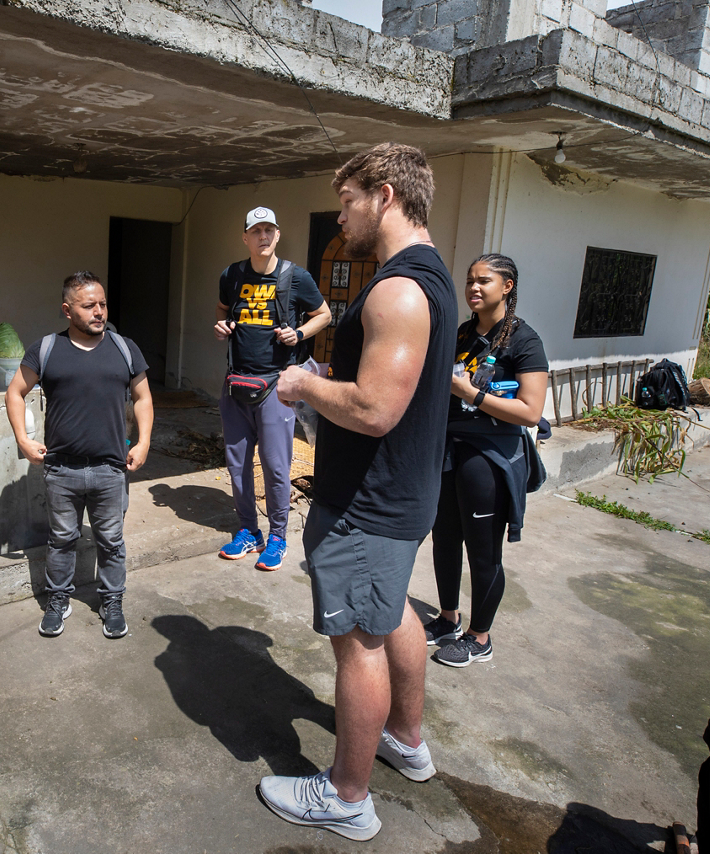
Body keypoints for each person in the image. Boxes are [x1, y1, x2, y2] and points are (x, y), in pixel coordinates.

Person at [261, 143, 458, 841]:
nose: (339, 216)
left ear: (385, 194)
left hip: (369, 506)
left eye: (346, 201)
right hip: (399, 498)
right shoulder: (427, 277)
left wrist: (304, 383)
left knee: (360, 642)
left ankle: (347, 796)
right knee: (392, 611)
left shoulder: (400, 289)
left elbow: (375, 408)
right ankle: (404, 738)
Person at [5, 271, 154, 639]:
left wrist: (144, 440)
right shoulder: (46, 350)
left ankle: (112, 600)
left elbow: (144, 398)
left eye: (102, 304)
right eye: (89, 306)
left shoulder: (124, 348)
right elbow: (14, 392)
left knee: (111, 540)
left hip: (110, 468)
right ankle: (58, 600)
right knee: (62, 539)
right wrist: (23, 440)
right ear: (68, 310)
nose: (99, 312)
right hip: (61, 469)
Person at [425, 254, 548, 667]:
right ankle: (447, 619)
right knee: (444, 539)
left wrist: (471, 394)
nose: (474, 288)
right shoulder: (463, 334)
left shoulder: (525, 341)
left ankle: (480, 637)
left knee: (482, 551)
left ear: (507, 287)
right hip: (449, 452)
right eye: (470, 281)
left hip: (489, 458)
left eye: (484, 281)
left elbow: (531, 412)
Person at [214, 206, 330, 571]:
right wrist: (222, 326)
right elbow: (221, 310)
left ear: (277, 235)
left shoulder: (297, 277)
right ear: (245, 237)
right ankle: (250, 530)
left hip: (277, 384)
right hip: (236, 382)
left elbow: (324, 315)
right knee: (236, 465)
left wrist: (298, 333)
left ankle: (278, 535)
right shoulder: (231, 275)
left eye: (269, 230)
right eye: (256, 231)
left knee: (276, 467)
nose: (263, 237)